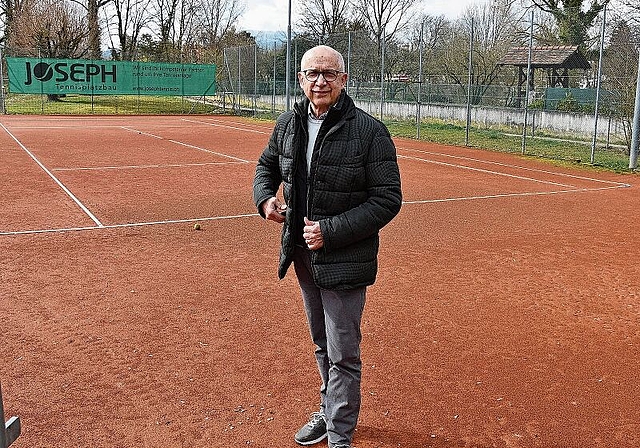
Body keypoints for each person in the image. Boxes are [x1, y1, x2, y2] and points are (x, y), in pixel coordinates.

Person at [253, 45, 402, 448]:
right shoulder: (288, 124)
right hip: (302, 254)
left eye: (329, 73)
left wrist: (330, 232)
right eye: (312, 73)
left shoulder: (370, 132)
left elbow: (387, 199)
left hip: (345, 258)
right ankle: (330, 407)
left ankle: (339, 435)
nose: (320, 81)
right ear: (300, 79)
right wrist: (266, 199)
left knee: (343, 352)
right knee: (322, 343)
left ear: (344, 80)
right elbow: (266, 166)